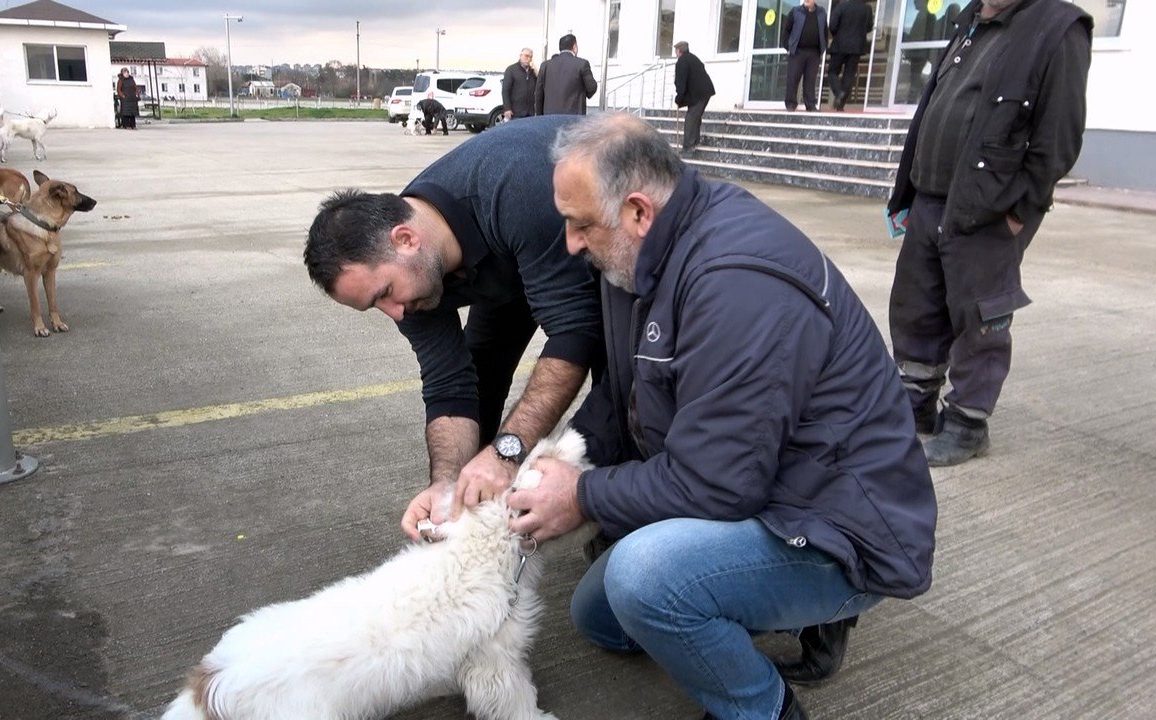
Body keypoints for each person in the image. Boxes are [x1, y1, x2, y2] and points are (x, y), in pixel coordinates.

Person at [496, 112, 937, 720]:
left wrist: (582, 496)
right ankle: (763, 608)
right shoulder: (634, 257)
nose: (571, 243)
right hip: (763, 481)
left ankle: (765, 707)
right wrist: (551, 465)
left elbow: (718, 485)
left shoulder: (737, 282)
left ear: (638, 211)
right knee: (599, 618)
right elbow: (621, 397)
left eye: (580, 224)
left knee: (644, 580)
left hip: (835, 521)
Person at [304, 116, 603, 539]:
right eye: (375, 306)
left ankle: (622, 516)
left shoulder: (513, 186)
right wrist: (446, 484)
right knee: (480, 380)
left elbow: (576, 331)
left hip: (599, 235)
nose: (395, 313)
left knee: (622, 389)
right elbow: (448, 384)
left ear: (406, 239)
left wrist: (506, 452)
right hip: (506, 265)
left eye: (385, 292)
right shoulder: (411, 280)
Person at [887, 0, 1092, 467]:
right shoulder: (972, 19)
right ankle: (915, 402)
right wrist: (909, 194)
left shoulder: (1058, 27)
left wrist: (1020, 211)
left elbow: (1060, 137)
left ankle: (967, 423)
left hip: (989, 209)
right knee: (916, 307)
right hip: (930, 199)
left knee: (981, 319)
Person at [827, 0, 874, 111]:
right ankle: (840, 105)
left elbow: (832, 25)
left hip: (840, 45)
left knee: (832, 72)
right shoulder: (867, 9)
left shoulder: (842, 6)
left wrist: (838, 35)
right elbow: (869, 27)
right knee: (849, 75)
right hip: (857, 47)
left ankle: (838, 93)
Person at [535, 34, 598, 116]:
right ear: (574, 47)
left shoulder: (545, 65)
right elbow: (592, 87)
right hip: (574, 117)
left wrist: (539, 115)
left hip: (549, 116)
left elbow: (538, 93)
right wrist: (583, 94)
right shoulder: (582, 64)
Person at [782, 0, 828, 112]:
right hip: (797, 51)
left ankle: (810, 105)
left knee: (810, 80)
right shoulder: (795, 11)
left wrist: (823, 47)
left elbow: (825, 31)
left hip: (814, 52)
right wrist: (788, 47)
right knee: (793, 78)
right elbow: (786, 30)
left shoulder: (821, 13)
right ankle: (790, 103)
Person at [672, 41, 715, 152]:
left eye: (676, 50)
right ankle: (695, 142)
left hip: (698, 94)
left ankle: (688, 147)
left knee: (691, 118)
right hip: (705, 92)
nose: (675, 52)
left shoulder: (682, 61)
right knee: (695, 116)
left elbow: (681, 82)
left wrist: (679, 98)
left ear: (679, 51)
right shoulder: (693, 58)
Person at [502, 48, 537, 121]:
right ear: (520, 56)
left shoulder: (532, 72)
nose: (528, 59)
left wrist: (536, 72)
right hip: (516, 112)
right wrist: (507, 108)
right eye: (526, 56)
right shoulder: (511, 70)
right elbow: (505, 90)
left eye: (531, 57)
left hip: (530, 113)